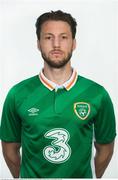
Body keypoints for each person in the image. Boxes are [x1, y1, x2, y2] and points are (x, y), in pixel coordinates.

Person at [0, 10, 116, 178]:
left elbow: (105, 148)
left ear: (74, 43)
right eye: (48, 37)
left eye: (63, 37)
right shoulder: (18, 94)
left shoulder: (97, 94)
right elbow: (9, 148)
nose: (56, 44)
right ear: (38, 43)